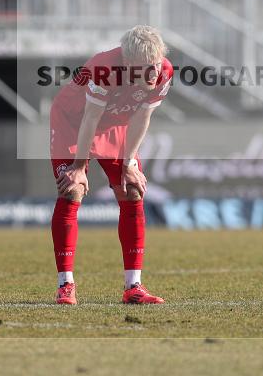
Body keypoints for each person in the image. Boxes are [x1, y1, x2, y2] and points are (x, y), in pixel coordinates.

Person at [49, 25, 173, 305]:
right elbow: (89, 119)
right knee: (72, 191)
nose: (154, 73)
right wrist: (79, 167)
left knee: (132, 192)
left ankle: (134, 287)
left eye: (155, 65)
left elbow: (142, 118)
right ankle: (65, 285)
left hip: (116, 124)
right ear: (128, 64)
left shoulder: (164, 71)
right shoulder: (103, 67)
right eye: (146, 68)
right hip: (73, 122)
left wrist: (129, 163)